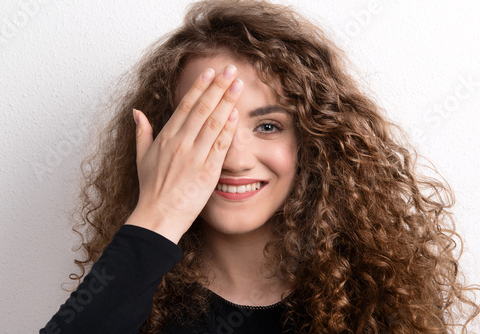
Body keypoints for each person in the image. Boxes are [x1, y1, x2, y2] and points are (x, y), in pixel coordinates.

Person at [41, 0, 479, 333]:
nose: (233, 158)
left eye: (268, 126)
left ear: (314, 140)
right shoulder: (126, 296)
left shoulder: (374, 300)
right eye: (203, 128)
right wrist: (157, 215)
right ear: (162, 143)